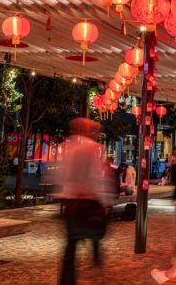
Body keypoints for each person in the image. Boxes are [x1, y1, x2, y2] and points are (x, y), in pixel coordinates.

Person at [57, 118, 115, 285]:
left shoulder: (69, 147)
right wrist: (105, 201)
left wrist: (64, 194)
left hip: (71, 201)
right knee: (95, 229)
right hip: (88, 200)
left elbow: (62, 174)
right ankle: (96, 250)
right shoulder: (95, 149)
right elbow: (98, 177)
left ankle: (67, 280)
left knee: (70, 244)